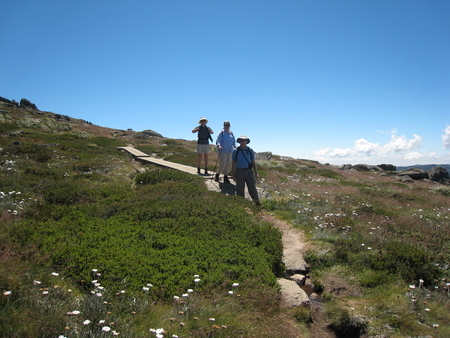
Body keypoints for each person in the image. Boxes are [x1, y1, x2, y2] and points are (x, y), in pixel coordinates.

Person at [231, 135, 261, 206]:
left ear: (247, 142)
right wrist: (233, 174)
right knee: (240, 189)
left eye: (244, 140)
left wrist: (256, 173)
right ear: (239, 142)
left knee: (252, 188)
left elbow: (253, 162)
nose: (243, 142)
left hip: (249, 172)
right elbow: (233, 163)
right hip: (239, 172)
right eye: (241, 140)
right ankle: (241, 205)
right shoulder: (236, 151)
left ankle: (257, 203)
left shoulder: (250, 150)